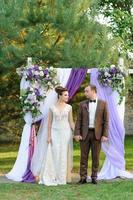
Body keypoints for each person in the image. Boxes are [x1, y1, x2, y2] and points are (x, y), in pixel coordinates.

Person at [39, 86, 75, 186]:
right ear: (60, 95)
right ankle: (52, 175)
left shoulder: (69, 107)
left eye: (67, 95)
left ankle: (62, 177)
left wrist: (76, 132)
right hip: (54, 132)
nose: (67, 96)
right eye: (65, 95)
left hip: (65, 133)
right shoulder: (52, 107)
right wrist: (49, 136)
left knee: (63, 154)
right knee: (54, 153)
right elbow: (49, 123)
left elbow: (71, 122)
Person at [74, 84, 109, 184]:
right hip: (84, 134)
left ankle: (94, 177)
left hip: (97, 134)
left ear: (93, 91)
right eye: (85, 91)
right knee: (83, 157)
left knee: (96, 157)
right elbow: (78, 120)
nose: (85, 93)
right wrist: (77, 133)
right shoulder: (82, 104)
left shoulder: (103, 103)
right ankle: (83, 177)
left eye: (87, 91)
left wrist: (105, 135)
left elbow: (106, 121)